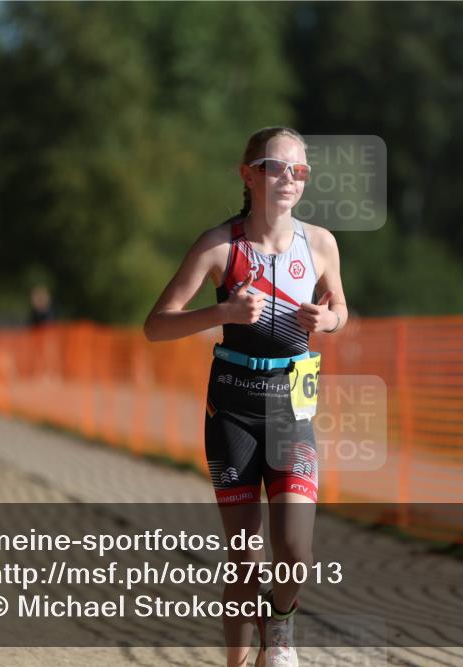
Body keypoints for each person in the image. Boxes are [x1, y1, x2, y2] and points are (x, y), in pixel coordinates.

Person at [144, 127, 348, 667]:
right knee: (245, 558)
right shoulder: (219, 246)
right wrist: (222, 314)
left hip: (292, 409)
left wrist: (327, 320)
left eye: (299, 171)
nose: (289, 179)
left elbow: (340, 310)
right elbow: (155, 326)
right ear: (248, 174)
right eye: (277, 167)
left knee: (296, 554)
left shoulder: (321, 243)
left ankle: (279, 625)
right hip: (232, 409)